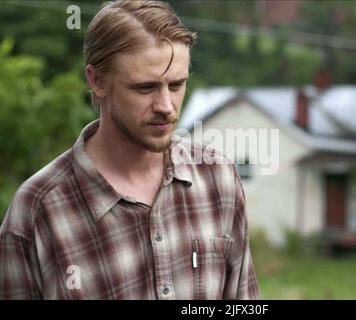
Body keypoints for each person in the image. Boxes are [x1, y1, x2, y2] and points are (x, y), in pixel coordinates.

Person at [0, 0, 259, 300]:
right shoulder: (38, 211)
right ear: (97, 80)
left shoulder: (218, 179)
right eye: (145, 88)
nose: (166, 106)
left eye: (176, 85)